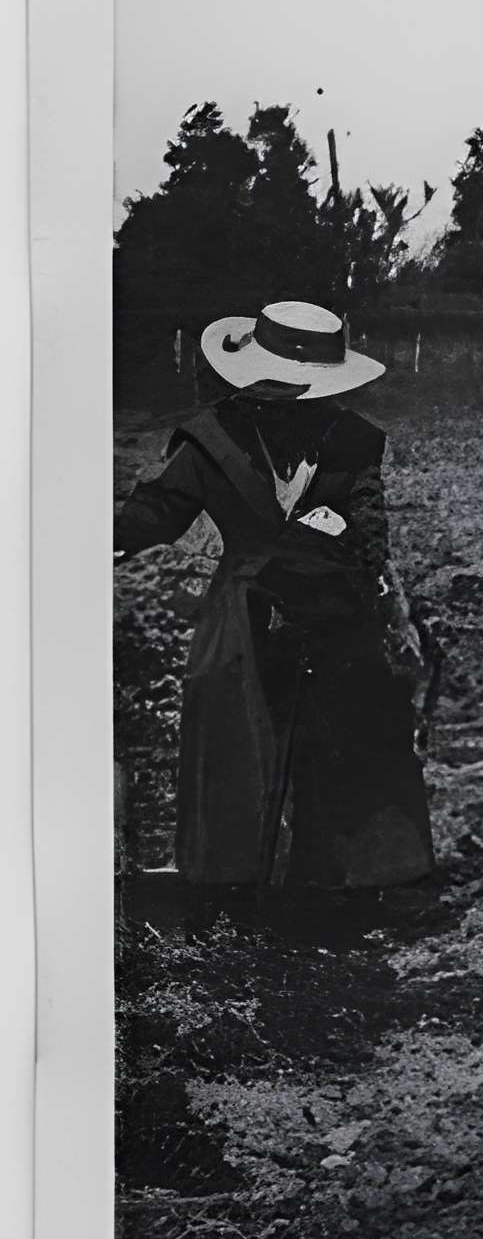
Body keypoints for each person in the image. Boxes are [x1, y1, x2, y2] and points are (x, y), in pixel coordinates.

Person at [114, 300, 436, 904]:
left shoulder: (351, 438)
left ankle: (347, 879)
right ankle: (236, 876)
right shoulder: (212, 439)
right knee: (240, 732)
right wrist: (97, 541)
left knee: (348, 732)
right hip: (244, 612)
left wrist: (370, 587)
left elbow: (368, 530)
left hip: (335, 610)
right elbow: (159, 509)